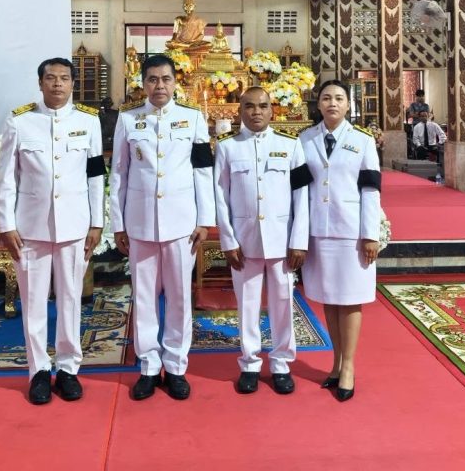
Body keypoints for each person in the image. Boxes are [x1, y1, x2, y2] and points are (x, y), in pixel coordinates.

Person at [0, 57, 105, 405]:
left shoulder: (88, 121)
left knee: (71, 299)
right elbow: (6, 179)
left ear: (73, 83)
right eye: (51, 78)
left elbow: (95, 175)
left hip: (75, 226)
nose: (57, 84)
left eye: (64, 78)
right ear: (40, 83)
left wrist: (97, 222)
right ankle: (39, 371)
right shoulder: (19, 122)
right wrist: (6, 224)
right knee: (33, 302)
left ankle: (69, 369)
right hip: (30, 228)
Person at [110, 53, 215, 400]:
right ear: (143, 83)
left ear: (175, 82)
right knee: (143, 296)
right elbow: (119, 174)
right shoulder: (128, 119)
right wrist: (118, 224)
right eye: (152, 79)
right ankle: (148, 367)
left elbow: (203, 171)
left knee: (180, 297)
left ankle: (177, 366)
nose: (159, 86)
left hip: (182, 224)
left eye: (165, 79)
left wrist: (205, 220)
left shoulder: (193, 118)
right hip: (140, 222)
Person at [214, 87, 310, 395]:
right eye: (250, 106)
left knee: (283, 302)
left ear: (272, 110)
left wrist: (299, 240)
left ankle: (281, 363)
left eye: (263, 106)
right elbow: (220, 197)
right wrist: (228, 240)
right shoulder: (227, 147)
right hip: (244, 241)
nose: (256, 111)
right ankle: (250, 363)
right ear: (239, 110)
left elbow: (302, 197)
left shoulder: (291, 145)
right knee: (247, 304)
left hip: (282, 240)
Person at [299, 79, 384, 402]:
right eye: (326, 98)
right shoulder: (305, 139)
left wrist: (370, 234)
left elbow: (371, 189)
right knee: (329, 299)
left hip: (351, 231)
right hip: (318, 230)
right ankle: (335, 363)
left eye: (338, 98)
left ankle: (348, 366)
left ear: (348, 104)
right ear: (318, 103)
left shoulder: (363, 140)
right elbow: (300, 189)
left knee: (349, 299)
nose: (332, 103)